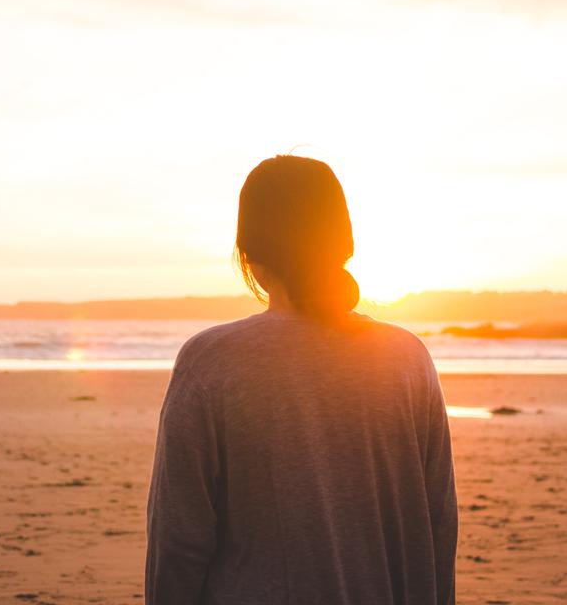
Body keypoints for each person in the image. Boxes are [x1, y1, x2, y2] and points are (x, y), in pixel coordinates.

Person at [145, 154, 457, 605]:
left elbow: (178, 536)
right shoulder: (407, 358)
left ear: (248, 254)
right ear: (342, 245)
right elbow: (439, 529)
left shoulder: (211, 361)